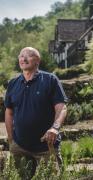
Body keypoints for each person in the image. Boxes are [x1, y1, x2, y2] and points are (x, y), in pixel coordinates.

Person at [4, 47, 68, 177]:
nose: (24, 58)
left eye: (29, 55)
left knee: (52, 177)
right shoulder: (13, 83)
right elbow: (9, 112)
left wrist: (55, 128)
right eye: (21, 56)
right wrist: (11, 140)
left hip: (46, 147)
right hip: (20, 147)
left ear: (37, 60)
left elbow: (62, 107)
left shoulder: (50, 80)